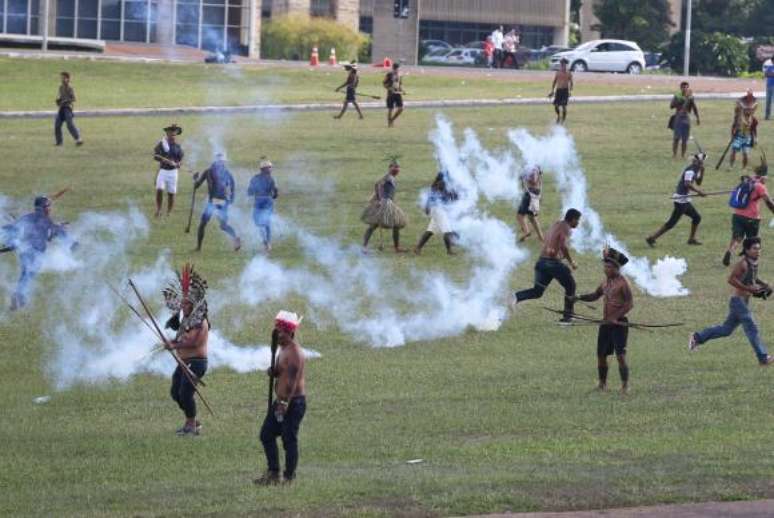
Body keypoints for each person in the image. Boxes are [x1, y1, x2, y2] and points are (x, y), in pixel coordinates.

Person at [690, 237, 774, 366]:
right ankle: (763, 358)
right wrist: (748, 288)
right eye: (754, 249)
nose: (758, 251)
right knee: (752, 328)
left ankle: (697, 337)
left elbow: (753, 277)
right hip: (738, 302)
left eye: (759, 248)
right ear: (746, 250)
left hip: (743, 302)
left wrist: (764, 284)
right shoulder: (743, 263)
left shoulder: (754, 261)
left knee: (726, 330)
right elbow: (731, 279)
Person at [255, 311, 307, 485]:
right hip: (281, 402)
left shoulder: (294, 353)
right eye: (277, 330)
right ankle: (273, 473)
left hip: (292, 403)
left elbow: (291, 381)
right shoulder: (282, 349)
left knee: (288, 439)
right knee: (266, 435)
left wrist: (284, 403)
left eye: (281, 331)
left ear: (290, 333)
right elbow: (281, 372)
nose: (278, 333)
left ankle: (289, 477)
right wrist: (274, 371)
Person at [573, 247, 634, 393]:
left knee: (620, 356)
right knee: (601, 355)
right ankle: (602, 384)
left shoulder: (623, 283)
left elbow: (629, 304)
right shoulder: (605, 283)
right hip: (605, 323)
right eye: (605, 266)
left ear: (616, 268)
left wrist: (615, 317)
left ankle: (625, 386)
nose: (605, 269)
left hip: (619, 324)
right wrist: (579, 297)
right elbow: (595, 295)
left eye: (608, 267)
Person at [163, 263, 210, 436]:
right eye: (182, 302)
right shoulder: (187, 319)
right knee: (176, 393)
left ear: (194, 304)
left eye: (186, 303)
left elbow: (194, 343)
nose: (182, 306)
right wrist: (172, 341)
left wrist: (174, 345)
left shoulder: (201, 322)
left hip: (196, 363)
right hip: (183, 362)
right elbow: (182, 337)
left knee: (185, 393)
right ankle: (192, 420)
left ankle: (191, 425)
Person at [511, 208, 582, 323]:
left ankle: (516, 297)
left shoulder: (556, 224)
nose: (578, 223)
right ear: (573, 219)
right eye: (577, 220)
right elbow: (563, 246)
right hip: (552, 264)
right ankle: (567, 317)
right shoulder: (566, 228)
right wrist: (571, 262)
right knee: (571, 286)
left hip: (541, 263)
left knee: (537, 291)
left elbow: (552, 242)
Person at [2, 196, 69, 310]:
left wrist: (8, 244)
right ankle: (19, 296)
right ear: (44, 208)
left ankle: (20, 297)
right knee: (29, 273)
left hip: (24, 250)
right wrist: (61, 229)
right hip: (36, 251)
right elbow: (52, 234)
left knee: (26, 273)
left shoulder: (26, 217)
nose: (50, 209)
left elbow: (13, 229)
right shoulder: (47, 221)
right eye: (48, 207)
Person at [646, 153, 707, 247]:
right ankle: (651, 238)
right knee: (671, 223)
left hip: (685, 200)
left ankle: (691, 239)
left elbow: (698, 182)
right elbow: (687, 184)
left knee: (697, 217)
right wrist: (699, 192)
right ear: (697, 162)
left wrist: (702, 172)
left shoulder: (696, 169)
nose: (702, 164)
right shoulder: (690, 171)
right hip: (680, 200)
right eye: (701, 162)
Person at [722, 157, 774, 266]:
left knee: (737, 237)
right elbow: (769, 202)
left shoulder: (747, 180)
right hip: (752, 217)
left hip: (737, 215)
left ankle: (730, 251)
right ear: (763, 176)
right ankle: (749, 260)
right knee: (753, 240)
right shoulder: (760, 187)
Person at [194, 153, 241, 252]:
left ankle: (236, 238)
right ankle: (198, 247)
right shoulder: (209, 172)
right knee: (205, 224)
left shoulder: (225, 173)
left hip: (219, 202)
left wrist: (231, 198)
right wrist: (195, 179)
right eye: (220, 162)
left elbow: (232, 187)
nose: (220, 164)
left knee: (219, 225)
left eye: (222, 162)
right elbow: (197, 185)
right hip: (215, 202)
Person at [362, 159, 408, 253]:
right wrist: (380, 198)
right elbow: (378, 184)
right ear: (390, 168)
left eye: (398, 167)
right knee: (373, 226)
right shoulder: (387, 177)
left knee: (396, 224)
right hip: (384, 203)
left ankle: (396, 248)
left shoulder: (392, 178)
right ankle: (364, 247)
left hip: (389, 203)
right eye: (395, 167)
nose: (397, 169)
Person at [414, 171, 459, 255]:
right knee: (447, 231)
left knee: (431, 230)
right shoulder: (442, 184)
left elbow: (445, 196)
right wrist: (454, 195)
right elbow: (446, 195)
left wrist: (427, 208)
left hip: (435, 210)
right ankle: (449, 251)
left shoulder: (437, 185)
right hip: (438, 209)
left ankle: (418, 248)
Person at [248, 157, 279, 252]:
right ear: (264, 169)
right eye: (269, 167)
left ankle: (266, 242)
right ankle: (267, 242)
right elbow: (275, 195)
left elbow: (249, 192)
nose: (270, 169)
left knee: (259, 223)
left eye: (270, 167)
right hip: (268, 201)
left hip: (258, 201)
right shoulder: (271, 179)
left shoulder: (255, 178)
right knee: (266, 223)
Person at [153, 124, 184, 218]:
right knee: (159, 189)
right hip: (163, 171)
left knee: (171, 193)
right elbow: (156, 156)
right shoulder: (162, 144)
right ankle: (158, 210)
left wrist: (178, 164)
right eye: (171, 135)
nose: (173, 136)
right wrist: (165, 160)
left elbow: (181, 159)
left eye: (174, 135)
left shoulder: (178, 147)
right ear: (167, 135)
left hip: (173, 173)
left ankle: (169, 212)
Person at [669, 82, 700, 159]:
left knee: (684, 139)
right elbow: (671, 106)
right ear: (681, 88)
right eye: (683, 87)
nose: (685, 89)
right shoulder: (677, 96)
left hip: (686, 118)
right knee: (676, 138)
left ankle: (683, 155)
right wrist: (683, 99)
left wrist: (698, 118)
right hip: (678, 118)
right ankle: (674, 154)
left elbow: (694, 108)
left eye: (686, 87)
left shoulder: (691, 97)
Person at [516, 165, 545, 242]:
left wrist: (523, 178)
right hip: (536, 193)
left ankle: (526, 232)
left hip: (530, 194)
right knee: (532, 218)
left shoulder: (531, 169)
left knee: (520, 216)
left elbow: (533, 180)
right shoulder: (537, 169)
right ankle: (541, 238)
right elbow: (539, 178)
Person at [54, 71, 83, 147]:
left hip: (67, 108)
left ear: (68, 78)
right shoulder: (60, 87)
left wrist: (66, 100)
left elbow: (74, 98)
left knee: (69, 124)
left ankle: (78, 139)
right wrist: (58, 101)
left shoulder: (70, 88)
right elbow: (59, 96)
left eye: (64, 78)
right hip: (61, 108)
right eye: (61, 78)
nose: (62, 79)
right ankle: (59, 142)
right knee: (57, 125)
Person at [548, 59, 573, 124]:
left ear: (566, 65)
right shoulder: (558, 73)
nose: (563, 66)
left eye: (564, 64)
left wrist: (570, 91)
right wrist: (552, 91)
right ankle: (558, 116)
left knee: (564, 106)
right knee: (556, 105)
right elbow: (554, 81)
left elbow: (571, 83)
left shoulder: (569, 73)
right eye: (562, 64)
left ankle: (563, 120)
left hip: (565, 90)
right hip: (558, 90)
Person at [383, 62, 404, 128]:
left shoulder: (399, 75)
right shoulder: (389, 74)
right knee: (390, 109)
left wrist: (402, 90)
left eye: (398, 69)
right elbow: (384, 83)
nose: (398, 70)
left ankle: (392, 120)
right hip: (391, 94)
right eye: (398, 68)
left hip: (398, 93)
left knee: (401, 108)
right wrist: (389, 89)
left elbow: (399, 84)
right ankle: (389, 123)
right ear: (394, 68)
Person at [765, 56, 774, 120]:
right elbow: (766, 74)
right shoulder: (769, 67)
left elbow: (769, 74)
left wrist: (771, 74)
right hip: (769, 85)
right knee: (768, 101)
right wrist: (771, 74)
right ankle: (767, 116)